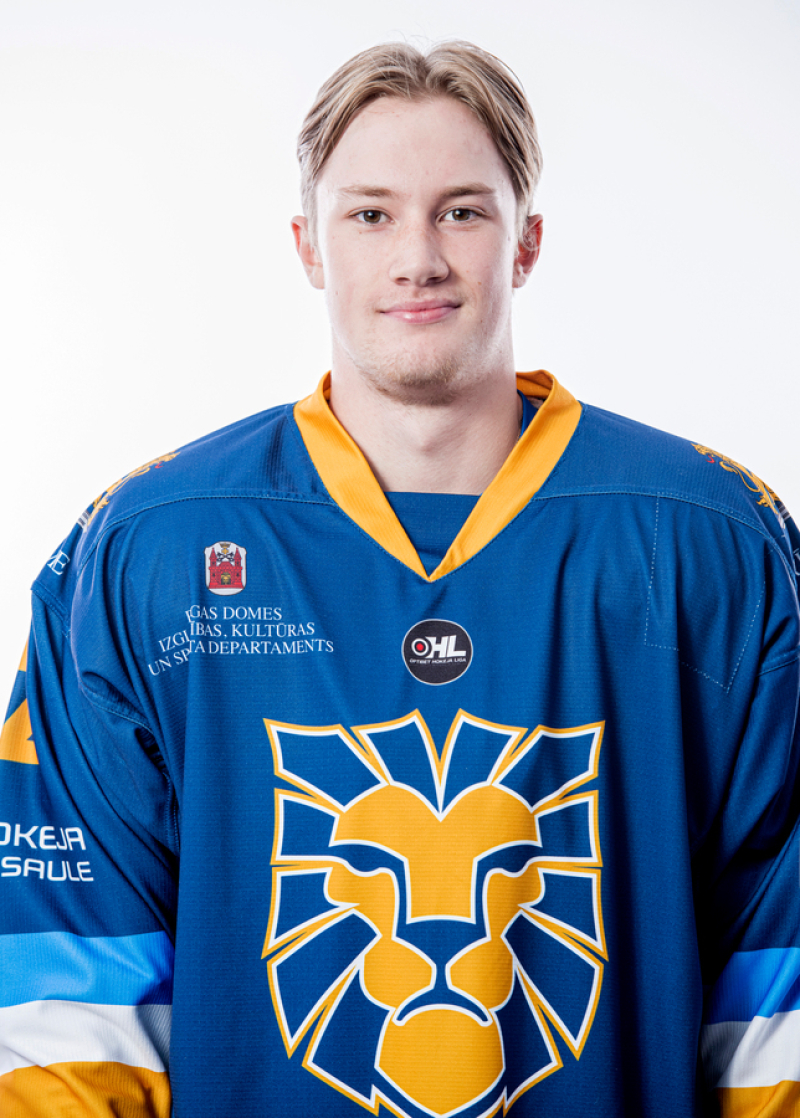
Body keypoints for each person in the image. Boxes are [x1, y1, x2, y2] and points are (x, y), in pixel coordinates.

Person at [1, 39, 799, 1118]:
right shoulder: (148, 549)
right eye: (370, 214)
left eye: (460, 212)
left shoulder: (711, 541)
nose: (417, 257)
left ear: (526, 241)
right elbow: (68, 973)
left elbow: (778, 971)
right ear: (308, 245)